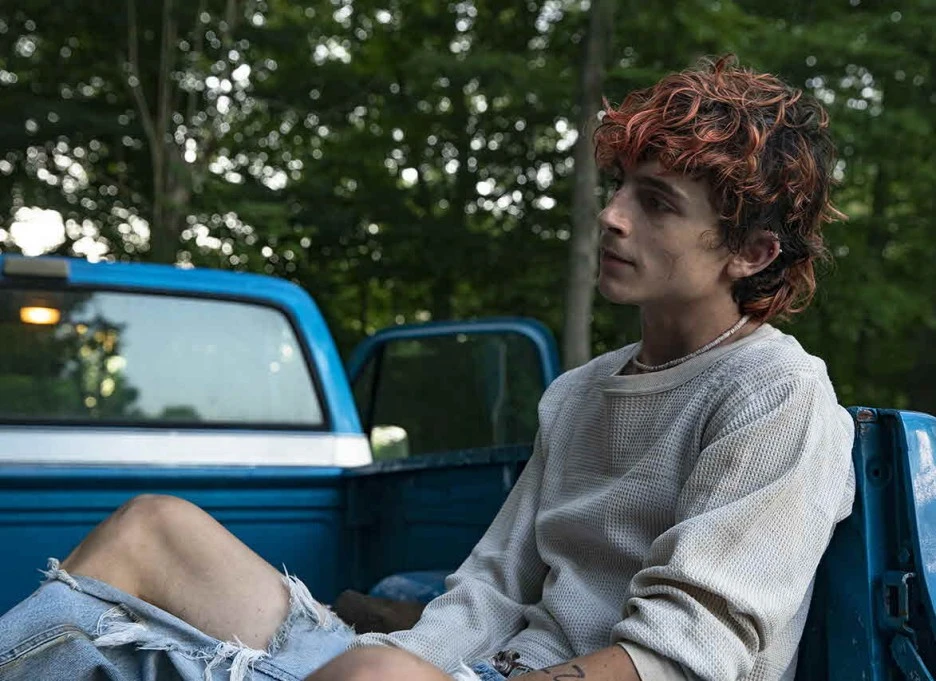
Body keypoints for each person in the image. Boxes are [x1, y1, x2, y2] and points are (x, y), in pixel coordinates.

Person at [0, 55, 855, 681]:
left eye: (656, 203)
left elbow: (685, 653)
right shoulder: (579, 393)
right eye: (621, 185)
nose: (613, 216)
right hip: (473, 668)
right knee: (154, 526)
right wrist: (382, 658)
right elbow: (488, 593)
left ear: (752, 251)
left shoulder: (776, 393)